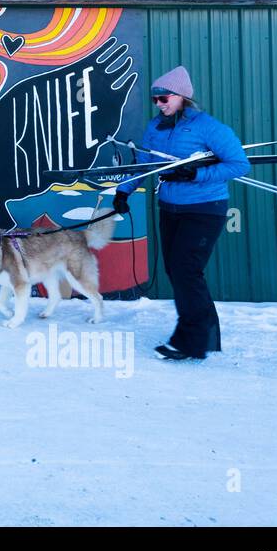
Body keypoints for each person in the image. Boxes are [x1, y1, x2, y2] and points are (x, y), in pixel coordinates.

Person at [113, 67, 249, 361]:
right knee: (177, 271)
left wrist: (195, 173)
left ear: (182, 97)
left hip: (204, 209)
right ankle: (207, 336)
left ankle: (190, 341)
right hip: (171, 208)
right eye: (155, 100)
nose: (159, 104)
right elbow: (145, 164)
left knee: (187, 271)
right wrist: (123, 191)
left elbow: (239, 164)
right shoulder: (155, 128)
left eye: (164, 98)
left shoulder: (208, 127)